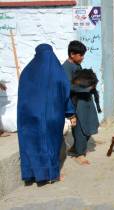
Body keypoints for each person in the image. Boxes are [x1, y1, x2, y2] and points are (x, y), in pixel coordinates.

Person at [17, 43, 76, 183]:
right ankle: (51, 175)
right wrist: (70, 113)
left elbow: (22, 96)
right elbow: (65, 93)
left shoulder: (27, 71)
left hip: (29, 116)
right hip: (52, 116)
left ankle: (31, 174)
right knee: (51, 144)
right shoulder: (58, 71)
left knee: (31, 143)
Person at [62, 40, 99, 165]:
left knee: (91, 123)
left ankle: (75, 147)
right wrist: (87, 88)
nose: (82, 58)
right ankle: (80, 154)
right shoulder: (66, 68)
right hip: (77, 102)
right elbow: (69, 86)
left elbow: (82, 80)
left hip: (86, 100)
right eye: (80, 55)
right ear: (72, 54)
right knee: (80, 128)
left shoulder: (77, 65)